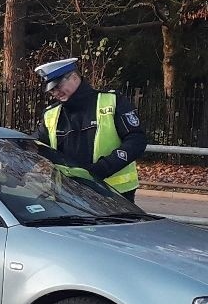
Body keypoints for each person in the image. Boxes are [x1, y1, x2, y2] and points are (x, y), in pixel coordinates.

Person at [33, 57, 146, 202]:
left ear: (74, 77)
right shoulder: (51, 114)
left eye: (58, 86)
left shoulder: (112, 101)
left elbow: (137, 140)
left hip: (113, 194)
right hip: (68, 193)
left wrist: (102, 168)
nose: (55, 93)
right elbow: (36, 146)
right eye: (52, 90)